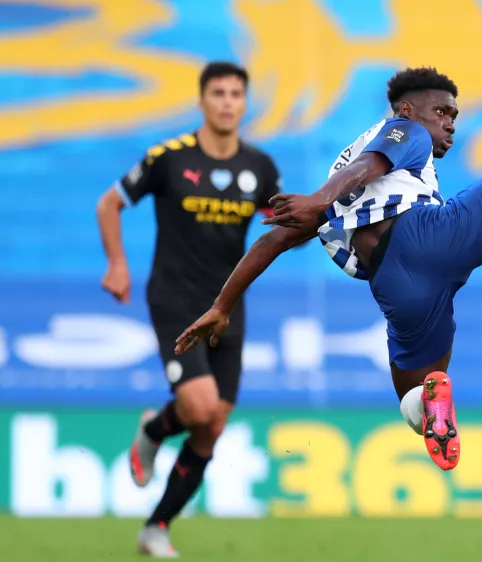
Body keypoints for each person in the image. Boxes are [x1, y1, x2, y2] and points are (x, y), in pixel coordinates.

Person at [174, 66, 482, 472]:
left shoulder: (346, 167)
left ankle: (429, 408)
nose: (450, 123)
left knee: (417, 389)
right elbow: (370, 166)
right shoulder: (406, 132)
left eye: (454, 115)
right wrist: (321, 199)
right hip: (426, 238)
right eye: (442, 112)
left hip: (395, 287)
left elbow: (273, 240)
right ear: (407, 110)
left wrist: (222, 305)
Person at [96, 61, 283, 558]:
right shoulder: (169, 158)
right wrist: (117, 264)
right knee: (198, 408)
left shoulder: (260, 168)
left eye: (235, 94)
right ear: (202, 101)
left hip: (227, 304)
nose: (226, 101)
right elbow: (108, 204)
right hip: (176, 298)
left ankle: (155, 526)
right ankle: (155, 430)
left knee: (213, 424)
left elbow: (282, 226)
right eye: (217, 93)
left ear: (245, 103)